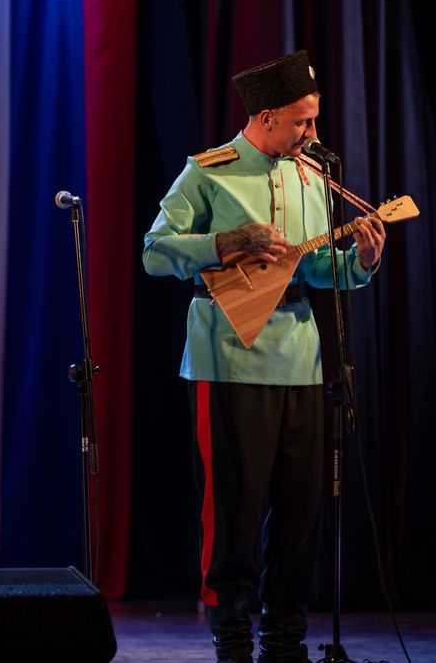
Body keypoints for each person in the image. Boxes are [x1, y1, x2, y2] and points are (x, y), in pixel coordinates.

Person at [142, 50, 387, 663]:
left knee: (301, 510)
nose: (313, 133)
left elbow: (316, 269)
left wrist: (360, 262)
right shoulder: (209, 171)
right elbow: (155, 251)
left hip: (300, 359)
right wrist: (225, 241)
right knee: (234, 507)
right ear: (268, 116)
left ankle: (285, 639)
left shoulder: (312, 176)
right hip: (228, 358)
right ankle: (232, 639)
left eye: (314, 119)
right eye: (303, 121)